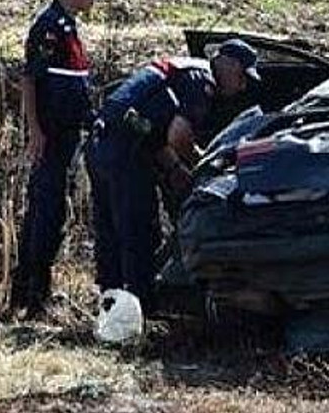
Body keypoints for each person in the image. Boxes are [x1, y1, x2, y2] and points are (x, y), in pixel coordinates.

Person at [85, 40, 259, 318]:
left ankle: (110, 310)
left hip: (101, 144)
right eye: (242, 77)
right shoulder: (202, 80)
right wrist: (205, 165)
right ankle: (143, 311)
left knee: (111, 233)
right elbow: (178, 135)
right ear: (230, 65)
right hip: (126, 152)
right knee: (139, 230)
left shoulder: (182, 69)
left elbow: (155, 131)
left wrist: (175, 168)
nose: (242, 87)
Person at [9, 0, 111, 318]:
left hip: (66, 136)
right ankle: (34, 296)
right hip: (51, 136)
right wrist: (35, 130)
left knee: (48, 212)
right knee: (46, 214)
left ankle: (25, 291)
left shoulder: (69, 27)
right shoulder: (49, 27)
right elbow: (30, 79)